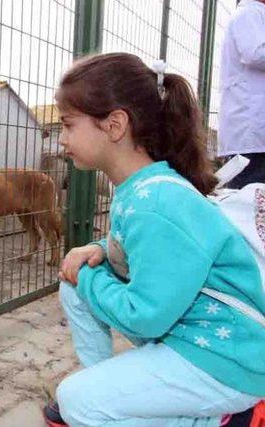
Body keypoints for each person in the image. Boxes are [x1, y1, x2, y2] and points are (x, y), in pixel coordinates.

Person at [42, 52, 265, 427]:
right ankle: (112, 390)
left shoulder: (157, 201)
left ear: (114, 125)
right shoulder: (143, 187)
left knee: (76, 403)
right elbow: (142, 247)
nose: (62, 138)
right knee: (73, 285)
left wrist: (88, 277)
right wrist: (98, 249)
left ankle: (223, 421)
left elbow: (145, 317)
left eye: (68, 124)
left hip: (227, 362)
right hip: (195, 338)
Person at [218, 0, 265, 188]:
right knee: (250, 201)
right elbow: (254, 53)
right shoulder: (249, 14)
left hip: (254, 136)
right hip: (251, 137)